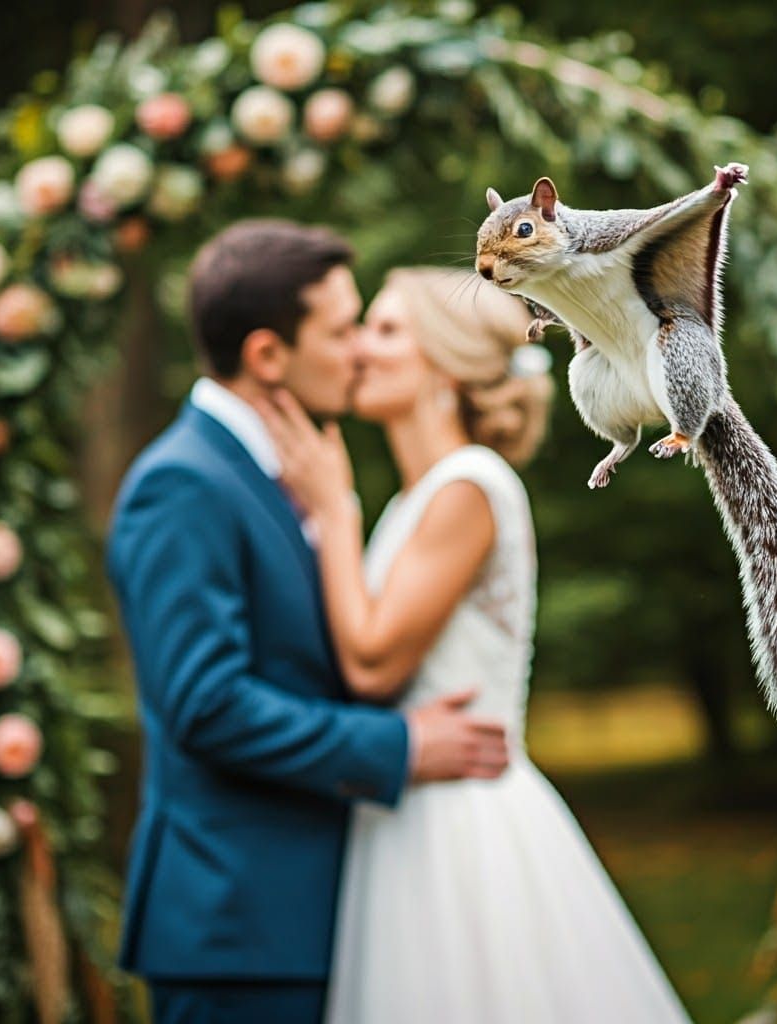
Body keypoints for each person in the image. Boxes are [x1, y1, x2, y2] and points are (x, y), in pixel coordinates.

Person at [257, 266, 695, 1023]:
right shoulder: (416, 499)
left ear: (444, 360)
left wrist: (331, 508)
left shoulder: (468, 486)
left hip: (461, 827)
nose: (359, 347)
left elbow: (369, 664)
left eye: (385, 329)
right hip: (405, 813)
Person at [104, 224, 510, 1024]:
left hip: (317, 911)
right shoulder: (182, 485)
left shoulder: (284, 467)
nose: (359, 350)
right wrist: (400, 747)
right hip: (241, 928)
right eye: (340, 330)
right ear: (267, 357)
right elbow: (207, 705)